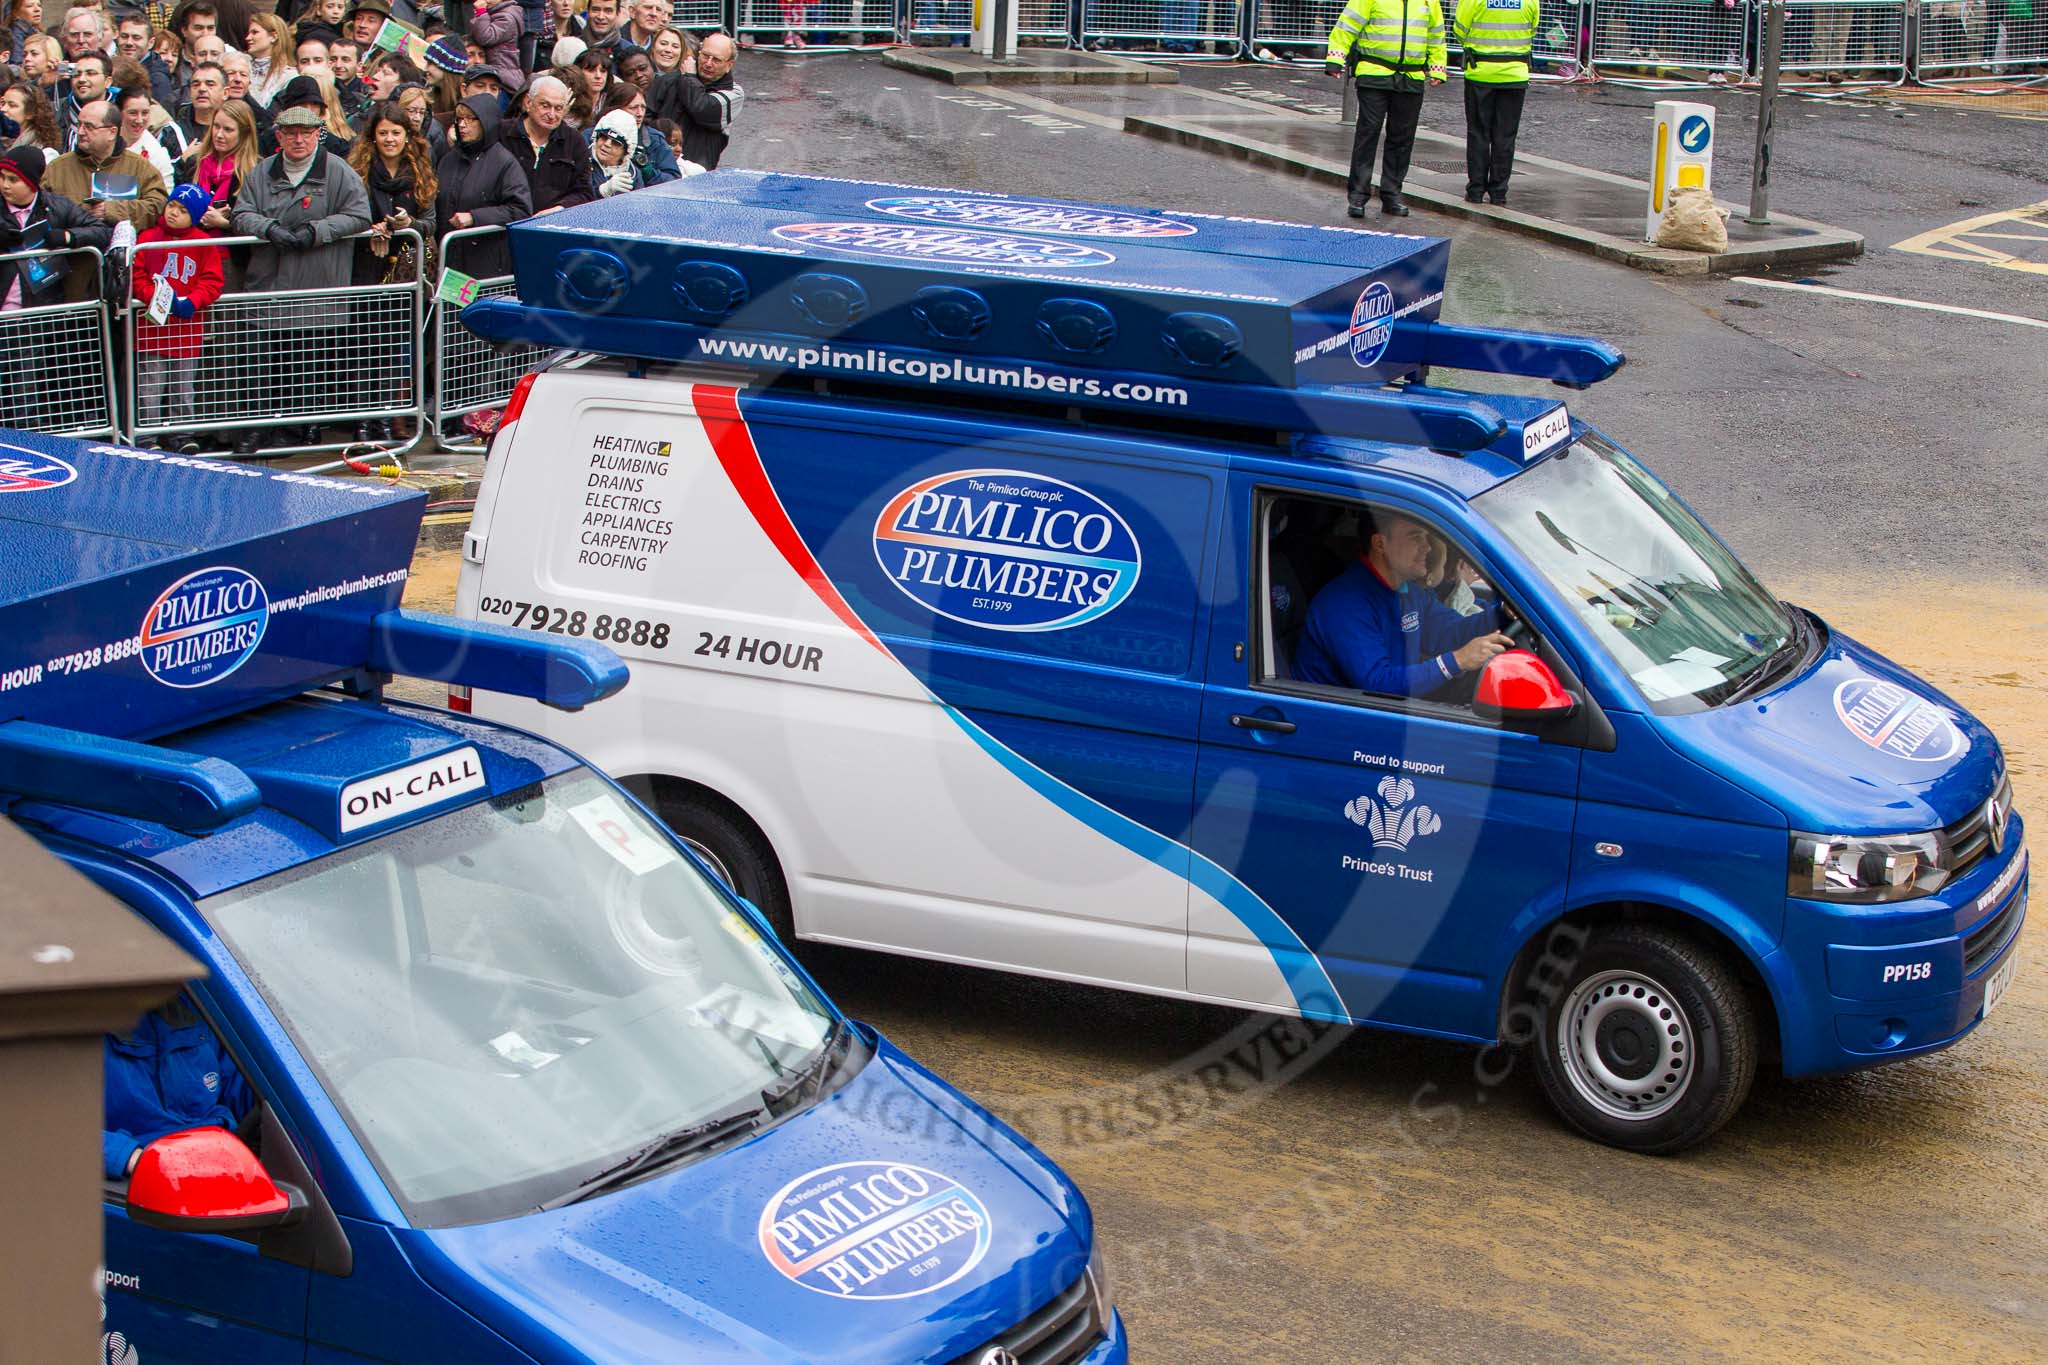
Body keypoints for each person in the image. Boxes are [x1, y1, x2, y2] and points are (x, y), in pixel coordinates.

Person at [228, 85, 370, 453]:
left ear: (317, 134)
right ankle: (259, 431)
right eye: (290, 133)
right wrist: (268, 229)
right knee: (263, 367)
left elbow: (358, 215)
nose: (297, 140)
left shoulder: (338, 171)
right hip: (270, 286)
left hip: (316, 287)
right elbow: (241, 213)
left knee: (308, 366)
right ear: (278, 136)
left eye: (305, 133)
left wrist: (317, 232)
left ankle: (303, 430)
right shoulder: (261, 172)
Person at [1295, 508, 1511, 694]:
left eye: (1426, 537)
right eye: (1416, 536)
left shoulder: (1409, 591)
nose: (1427, 547)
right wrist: (1457, 660)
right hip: (1342, 728)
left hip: (1391, 712)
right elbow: (1377, 683)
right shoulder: (1344, 604)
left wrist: (1503, 614)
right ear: (1380, 544)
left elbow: (1449, 633)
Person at [0, 144, 112, 429]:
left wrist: (65, 237)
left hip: (35, 313)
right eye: (1, 177)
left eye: (13, 180)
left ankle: (24, 444)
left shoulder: (56, 206)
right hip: (4, 310)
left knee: (26, 387)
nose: (5, 185)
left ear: (32, 181)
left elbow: (100, 231)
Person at [347, 99, 431, 441]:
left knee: (396, 348)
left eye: (396, 133)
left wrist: (408, 223)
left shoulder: (420, 172)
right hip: (369, 267)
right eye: (383, 133)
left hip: (405, 273)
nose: (390, 139)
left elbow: (431, 221)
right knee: (366, 347)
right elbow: (349, 213)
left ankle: (386, 416)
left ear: (407, 136)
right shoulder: (360, 173)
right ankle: (364, 420)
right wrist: (372, 228)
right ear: (373, 136)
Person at [101, 999, 256, 1182]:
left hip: (224, 1159)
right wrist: (131, 1158)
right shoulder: (72, 1023)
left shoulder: (197, 1003)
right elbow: (61, 1133)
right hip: (146, 1177)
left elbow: (245, 1090)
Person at [1326, 0, 1446, 218]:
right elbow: (1347, 26)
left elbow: (1436, 34)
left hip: (1411, 77)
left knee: (1402, 138)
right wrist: (1335, 58)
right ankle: (1358, 197)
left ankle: (1391, 195)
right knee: (1368, 133)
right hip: (1374, 73)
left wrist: (1438, 68)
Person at [130, 180, 222, 452]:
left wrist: (192, 301)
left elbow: (212, 281)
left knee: (183, 386)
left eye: (182, 210)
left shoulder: (204, 243)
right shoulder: (147, 238)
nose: (173, 212)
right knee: (151, 385)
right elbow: (137, 276)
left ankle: (182, 435)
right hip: (152, 328)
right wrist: (156, 297)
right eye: (172, 205)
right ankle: (149, 435)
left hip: (186, 329)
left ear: (193, 216)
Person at [42, 97, 164, 297]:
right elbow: (39, 209)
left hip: (123, 284)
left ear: (112, 132)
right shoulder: (57, 168)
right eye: (79, 124)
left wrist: (112, 210)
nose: (80, 132)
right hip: (72, 280)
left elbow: (157, 206)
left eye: (89, 126)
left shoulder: (139, 167)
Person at [433, 88, 525, 275]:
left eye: (470, 119)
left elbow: (520, 210)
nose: (462, 125)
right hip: (449, 260)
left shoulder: (504, 162)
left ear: (486, 122)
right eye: (459, 119)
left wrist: (475, 217)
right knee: (450, 305)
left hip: (485, 263)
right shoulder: (449, 159)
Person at [1453, 0, 1536, 205]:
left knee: (1479, 133)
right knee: (1505, 136)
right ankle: (1499, 192)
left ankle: (1476, 190)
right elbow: (1533, 28)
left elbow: (1460, 29)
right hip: (1515, 75)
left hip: (1481, 73)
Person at [645, 29, 738, 172]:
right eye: (705, 56)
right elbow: (646, 118)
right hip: (660, 167)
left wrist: (689, 77)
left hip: (698, 173)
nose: (708, 63)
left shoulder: (734, 93)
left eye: (716, 60)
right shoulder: (667, 81)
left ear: (729, 65)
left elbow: (702, 108)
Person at [502, 69, 588, 211]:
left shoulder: (574, 141)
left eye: (558, 108)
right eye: (545, 106)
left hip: (550, 224)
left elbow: (583, 192)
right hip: (505, 223)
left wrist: (559, 209)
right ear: (529, 102)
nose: (552, 114)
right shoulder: (503, 133)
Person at [177, 96, 254, 232]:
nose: (219, 134)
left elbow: (257, 221)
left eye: (228, 130)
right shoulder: (194, 163)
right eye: (216, 126)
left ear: (244, 133)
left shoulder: (254, 171)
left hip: (230, 249)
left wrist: (225, 223)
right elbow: (176, 208)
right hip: (193, 244)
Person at [599, 80, 674, 183]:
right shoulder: (592, 135)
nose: (640, 114)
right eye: (633, 108)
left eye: (643, 108)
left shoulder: (655, 139)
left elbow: (673, 180)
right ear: (615, 109)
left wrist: (649, 172)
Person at [116, 82, 172, 180]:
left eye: (145, 113)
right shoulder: (105, 143)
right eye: (133, 113)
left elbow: (164, 192)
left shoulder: (157, 154)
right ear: (119, 112)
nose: (139, 120)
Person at [56, 49, 111, 144]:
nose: (82, 79)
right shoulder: (57, 112)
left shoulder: (122, 111)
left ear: (107, 81)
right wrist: (44, 82)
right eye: (77, 74)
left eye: (90, 73)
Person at [467, 0, 521, 89]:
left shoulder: (506, 18)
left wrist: (481, 13)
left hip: (503, 78)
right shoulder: (494, 13)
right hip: (491, 71)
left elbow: (485, 38)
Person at [586, 104, 638, 197]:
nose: (607, 144)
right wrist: (601, 191)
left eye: (616, 143)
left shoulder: (633, 173)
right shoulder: (582, 162)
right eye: (603, 137)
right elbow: (575, 200)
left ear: (626, 152)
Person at [170, 55, 222, 146]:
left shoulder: (237, 130)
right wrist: (183, 160)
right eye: (196, 85)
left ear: (225, 93)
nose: (201, 89)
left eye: (210, 84)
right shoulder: (173, 132)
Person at [245, 12, 293, 103]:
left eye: (254, 32)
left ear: (273, 36)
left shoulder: (288, 76)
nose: (247, 38)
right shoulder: (242, 69)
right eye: (248, 33)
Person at [2, 82, 61, 150]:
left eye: (12, 105)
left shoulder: (41, 149)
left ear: (30, 113)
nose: (3, 109)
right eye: (3, 103)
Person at [327, 34, 371, 119]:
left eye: (345, 60)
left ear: (359, 65)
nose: (338, 65)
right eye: (333, 59)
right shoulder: (319, 88)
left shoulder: (367, 93)